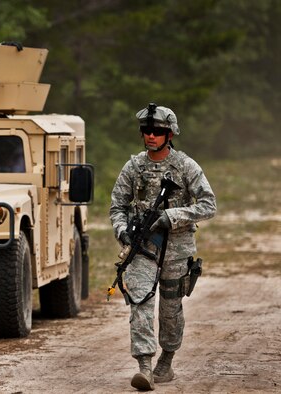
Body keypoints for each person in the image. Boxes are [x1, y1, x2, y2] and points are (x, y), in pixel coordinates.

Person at [109, 103, 216, 391]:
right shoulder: (134, 167)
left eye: (157, 131)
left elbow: (208, 205)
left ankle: (166, 362)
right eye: (147, 131)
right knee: (140, 302)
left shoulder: (185, 166)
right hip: (143, 247)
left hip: (177, 248)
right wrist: (123, 231)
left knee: (170, 309)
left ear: (170, 134)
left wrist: (171, 216)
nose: (151, 136)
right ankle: (144, 365)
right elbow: (117, 206)